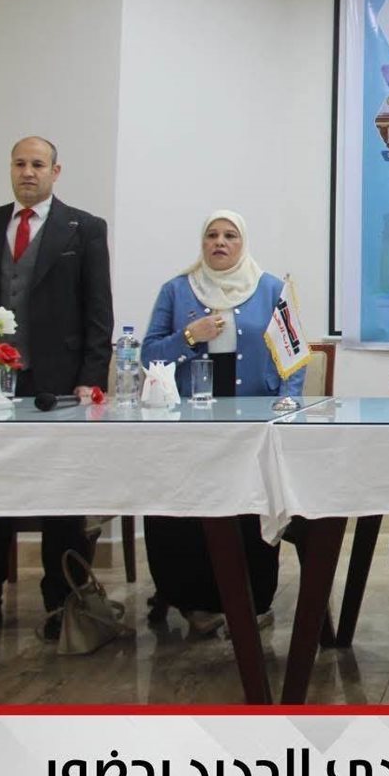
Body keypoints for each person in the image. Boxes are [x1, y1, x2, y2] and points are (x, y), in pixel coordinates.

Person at [0, 136, 113, 641]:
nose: (28, 172)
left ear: (55, 172)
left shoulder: (84, 228)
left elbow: (98, 311)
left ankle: (60, 601)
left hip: (58, 385)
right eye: (20, 163)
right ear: (11, 168)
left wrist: (91, 378)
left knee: (59, 494)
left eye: (38, 164)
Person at [140, 210, 304, 635]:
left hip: (253, 424)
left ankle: (254, 601)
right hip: (190, 424)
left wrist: (287, 404)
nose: (220, 242)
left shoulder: (271, 289)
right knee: (185, 509)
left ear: (243, 243)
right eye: (212, 235)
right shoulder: (177, 290)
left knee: (250, 507)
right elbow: (149, 354)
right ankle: (193, 602)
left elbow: (294, 357)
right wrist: (189, 336)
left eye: (230, 235)